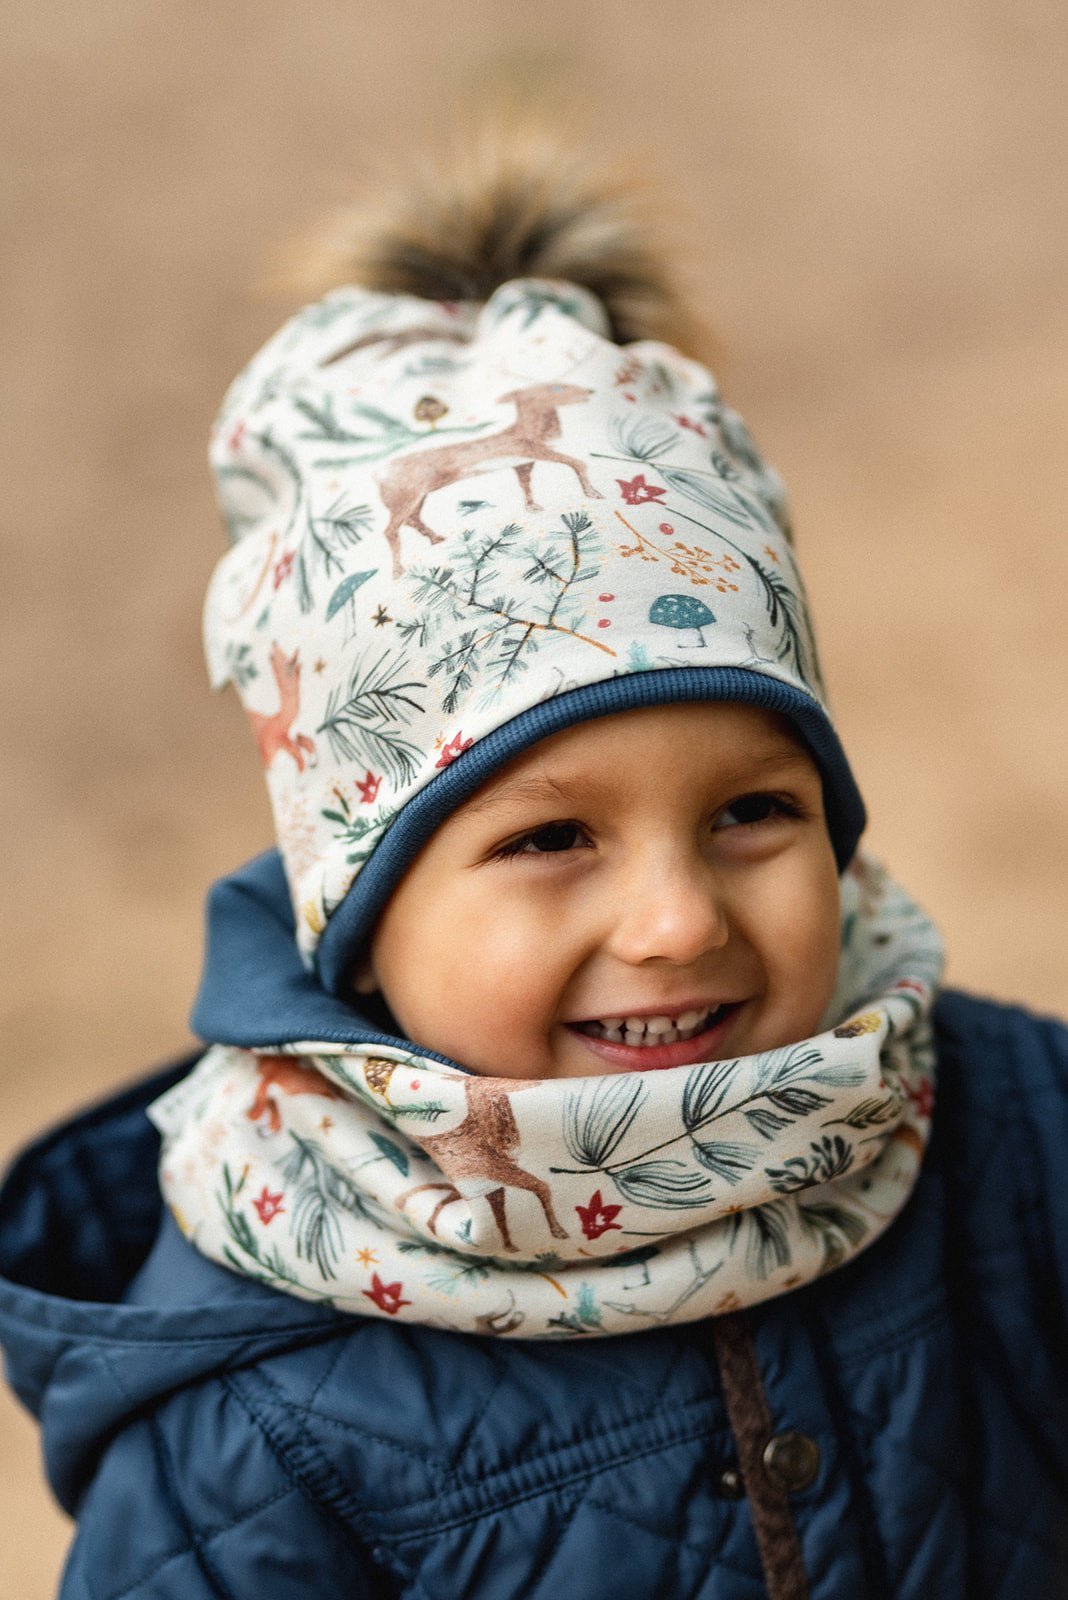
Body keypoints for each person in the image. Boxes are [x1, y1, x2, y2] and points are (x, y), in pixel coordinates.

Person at [1, 125, 1066, 1600]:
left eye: (754, 811)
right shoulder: (246, 1432)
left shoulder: (1016, 1138)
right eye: (553, 836)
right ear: (358, 919)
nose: (681, 919)